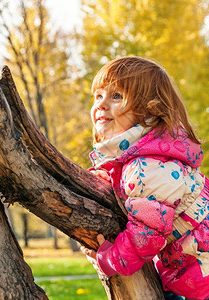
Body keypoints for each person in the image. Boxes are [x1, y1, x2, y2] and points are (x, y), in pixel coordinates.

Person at [81, 56, 209, 300]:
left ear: (150, 110)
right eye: (98, 96)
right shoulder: (147, 158)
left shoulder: (148, 167)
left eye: (116, 96)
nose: (101, 104)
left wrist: (109, 259)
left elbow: (146, 236)